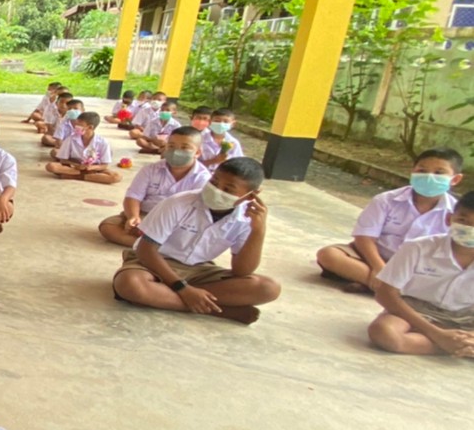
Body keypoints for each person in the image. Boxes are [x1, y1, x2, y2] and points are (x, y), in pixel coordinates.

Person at [111, 157, 281, 325]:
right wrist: (183, 289)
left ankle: (168, 298)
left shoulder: (247, 219)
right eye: (214, 182)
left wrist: (258, 230)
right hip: (154, 264)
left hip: (199, 270)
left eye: (228, 189)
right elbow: (145, 250)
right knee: (130, 283)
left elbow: (242, 271)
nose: (216, 190)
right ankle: (219, 309)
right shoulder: (179, 203)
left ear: (251, 195)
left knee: (268, 288)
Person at [317, 149, 464, 291]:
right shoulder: (386, 200)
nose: (429, 177)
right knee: (329, 255)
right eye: (422, 171)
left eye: (439, 173)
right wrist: (379, 268)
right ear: (412, 172)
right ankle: (394, 290)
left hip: (418, 269)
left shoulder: (457, 213)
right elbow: (364, 238)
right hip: (374, 259)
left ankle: (375, 285)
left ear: (455, 179)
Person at [366, 191, 474, 357]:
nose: (470, 229)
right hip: (416, 309)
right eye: (463, 220)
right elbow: (385, 294)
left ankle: (457, 345)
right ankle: (456, 346)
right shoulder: (417, 248)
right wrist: (436, 333)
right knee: (383, 332)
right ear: (449, 219)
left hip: (466, 316)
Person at [98, 127, 210, 246]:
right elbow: (134, 196)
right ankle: (154, 247)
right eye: (171, 146)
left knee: (194, 238)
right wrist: (133, 217)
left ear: (197, 153)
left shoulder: (203, 178)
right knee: (108, 227)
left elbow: (197, 212)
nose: (176, 151)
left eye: (184, 147)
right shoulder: (150, 170)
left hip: (177, 223)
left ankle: (150, 245)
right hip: (145, 215)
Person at [44, 111, 121, 184]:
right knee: (51, 166)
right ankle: (87, 176)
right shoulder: (71, 139)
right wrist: (76, 165)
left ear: (90, 127)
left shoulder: (103, 142)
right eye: (76, 124)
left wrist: (90, 168)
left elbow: (104, 165)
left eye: (79, 125)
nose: (76, 127)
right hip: (74, 167)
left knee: (116, 177)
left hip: (93, 168)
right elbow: (63, 160)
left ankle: (77, 176)